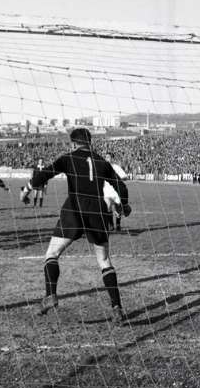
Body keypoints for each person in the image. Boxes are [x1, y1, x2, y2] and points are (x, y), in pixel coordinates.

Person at [20, 128, 131, 324]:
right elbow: (120, 186)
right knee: (104, 260)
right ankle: (117, 308)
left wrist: (27, 190)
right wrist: (125, 204)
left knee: (52, 254)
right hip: (98, 212)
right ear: (90, 142)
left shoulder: (68, 158)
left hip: (74, 209)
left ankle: (50, 295)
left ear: (73, 143)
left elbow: (44, 174)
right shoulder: (102, 161)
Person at [104, 153, 128, 232]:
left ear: (112, 159)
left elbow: (125, 177)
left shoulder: (116, 167)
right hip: (106, 191)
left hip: (116, 191)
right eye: (106, 157)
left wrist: (117, 180)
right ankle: (110, 225)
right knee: (108, 207)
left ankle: (118, 224)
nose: (107, 159)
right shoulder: (103, 167)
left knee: (118, 209)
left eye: (108, 157)